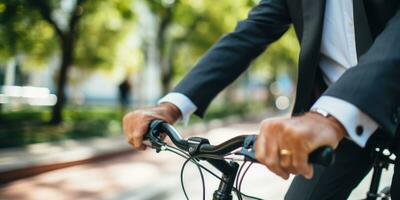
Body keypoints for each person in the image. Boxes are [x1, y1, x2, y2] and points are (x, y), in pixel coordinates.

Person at [123, 0, 400, 199]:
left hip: (339, 116)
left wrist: (331, 114)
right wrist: (170, 107)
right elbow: (248, 34)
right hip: (336, 129)